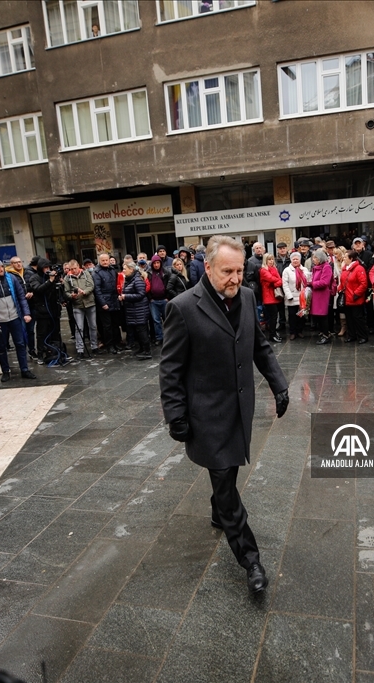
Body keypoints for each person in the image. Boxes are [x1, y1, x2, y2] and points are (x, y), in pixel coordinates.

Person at [159, 235, 289, 595]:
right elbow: (170, 369)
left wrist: (279, 385)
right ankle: (250, 560)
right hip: (206, 415)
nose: (235, 278)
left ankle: (218, 511)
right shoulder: (182, 307)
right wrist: (175, 415)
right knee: (226, 483)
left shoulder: (246, 296)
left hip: (240, 408)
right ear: (208, 266)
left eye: (239, 270)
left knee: (226, 473)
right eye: (226, 271)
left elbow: (258, 346)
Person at [0, 258, 37, 382]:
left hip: (15, 318)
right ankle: (5, 371)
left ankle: (24, 369)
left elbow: (21, 297)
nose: (1, 269)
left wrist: (26, 313)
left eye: (1, 266)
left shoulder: (11, 278)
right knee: (1, 347)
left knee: (20, 344)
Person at [27, 258, 68, 364]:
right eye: (45, 267)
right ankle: (41, 354)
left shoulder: (54, 277)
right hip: (42, 310)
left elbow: (58, 291)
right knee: (42, 333)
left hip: (54, 309)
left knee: (56, 332)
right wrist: (50, 280)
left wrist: (63, 297)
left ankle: (58, 351)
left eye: (49, 267)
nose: (48, 269)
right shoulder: (34, 278)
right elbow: (39, 289)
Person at [63, 260, 98, 359]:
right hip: (77, 305)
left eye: (75, 268)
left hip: (90, 303)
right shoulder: (67, 278)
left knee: (93, 326)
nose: (73, 271)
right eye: (71, 269)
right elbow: (66, 292)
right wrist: (71, 296)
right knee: (79, 328)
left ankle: (94, 346)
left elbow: (91, 286)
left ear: (78, 266)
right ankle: (80, 350)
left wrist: (85, 292)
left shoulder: (86, 273)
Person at [119, 261, 151, 360]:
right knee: (138, 331)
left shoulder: (137, 279)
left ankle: (147, 351)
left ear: (131, 269)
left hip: (139, 310)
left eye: (125, 269)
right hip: (133, 310)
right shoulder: (129, 279)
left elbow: (141, 294)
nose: (123, 271)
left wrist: (125, 296)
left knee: (142, 331)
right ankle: (142, 349)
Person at [93, 253, 121, 354]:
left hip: (114, 300)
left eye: (106, 260)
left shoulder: (113, 270)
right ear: (99, 261)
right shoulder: (96, 272)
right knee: (107, 326)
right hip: (104, 302)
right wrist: (103, 303)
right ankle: (109, 345)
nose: (105, 262)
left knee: (115, 324)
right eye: (103, 260)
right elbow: (97, 290)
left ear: (109, 260)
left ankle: (116, 343)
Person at [340, 251, 369, 344]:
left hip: (355, 298)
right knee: (349, 318)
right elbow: (343, 282)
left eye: (345, 257)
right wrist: (339, 289)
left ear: (351, 258)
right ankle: (352, 335)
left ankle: (362, 336)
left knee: (358, 318)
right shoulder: (345, 269)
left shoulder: (359, 268)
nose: (343, 258)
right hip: (347, 298)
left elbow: (363, 284)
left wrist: (355, 294)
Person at [282, 251, 310, 340]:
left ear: (300, 260)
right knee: (292, 315)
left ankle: (300, 331)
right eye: (293, 259)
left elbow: (308, 281)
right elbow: (285, 284)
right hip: (292, 297)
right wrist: (288, 295)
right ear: (291, 260)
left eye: (297, 259)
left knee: (301, 315)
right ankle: (292, 332)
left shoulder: (304, 270)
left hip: (302, 297)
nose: (295, 261)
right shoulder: (287, 270)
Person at [309, 249, 335, 344]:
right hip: (316, 294)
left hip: (322, 295)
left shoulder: (326, 267)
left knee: (322, 315)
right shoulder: (316, 267)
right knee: (318, 316)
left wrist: (312, 283)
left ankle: (325, 335)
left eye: (315, 257)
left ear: (320, 258)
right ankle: (323, 332)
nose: (313, 259)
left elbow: (325, 282)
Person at [259, 253, 284, 344]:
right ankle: (272, 335)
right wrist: (277, 281)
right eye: (269, 259)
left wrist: (276, 282)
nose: (271, 261)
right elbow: (272, 279)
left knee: (274, 316)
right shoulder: (263, 270)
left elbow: (279, 280)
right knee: (272, 317)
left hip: (274, 296)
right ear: (265, 260)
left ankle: (273, 334)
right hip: (268, 297)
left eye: (272, 259)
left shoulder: (274, 269)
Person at [147, 255, 169, 344]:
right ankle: (159, 338)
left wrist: (168, 297)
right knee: (156, 321)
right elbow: (146, 286)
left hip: (164, 300)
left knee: (167, 320)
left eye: (158, 263)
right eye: (154, 263)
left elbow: (169, 284)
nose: (156, 265)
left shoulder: (165, 272)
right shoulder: (149, 273)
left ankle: (168, 337)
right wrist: (150, 298)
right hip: (154, 301)